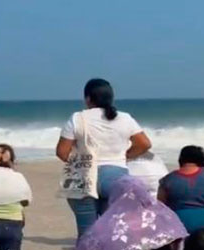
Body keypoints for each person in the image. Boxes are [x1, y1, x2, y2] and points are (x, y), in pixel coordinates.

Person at [56, 78, 152, 238]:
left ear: (88, 99)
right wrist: (124, 157)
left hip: (84, 176)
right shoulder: (125, 118)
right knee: (114, 231)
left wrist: (78, 161)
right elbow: (144, 144)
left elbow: (62, 152)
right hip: (116, 176)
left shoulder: (77, 118)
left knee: (87, 233)